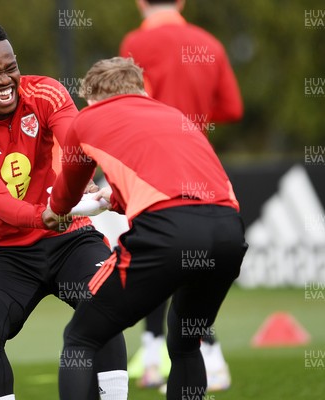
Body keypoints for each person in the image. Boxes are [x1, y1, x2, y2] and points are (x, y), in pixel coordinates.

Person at [0, 21, 128, 400]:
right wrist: (43, 215)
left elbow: (77, 146)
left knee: (104, 300)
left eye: (10, 67)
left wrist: (78, 183)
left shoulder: (46, 92)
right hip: (9, 250)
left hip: (69, 238)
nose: (6, 80)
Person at [47, 57, 247, 400]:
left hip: (169, 230)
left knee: (81, 338)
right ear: (139, 89)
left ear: (92, 97)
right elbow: (174, 182)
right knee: (185, 341)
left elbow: (66, 192)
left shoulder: (87, 119)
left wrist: (54, 212)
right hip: (228, 230)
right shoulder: (173, 114)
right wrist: (117, 197)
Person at [119, 0, 243, 390]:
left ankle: (181, 357)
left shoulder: (137, 42)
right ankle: (166, 356)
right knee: (180, 264)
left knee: (153, 257)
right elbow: (232, 108)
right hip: (201, 166)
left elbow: (130, 103)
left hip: (155, 166)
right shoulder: (208, 42)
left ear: (140, 2)